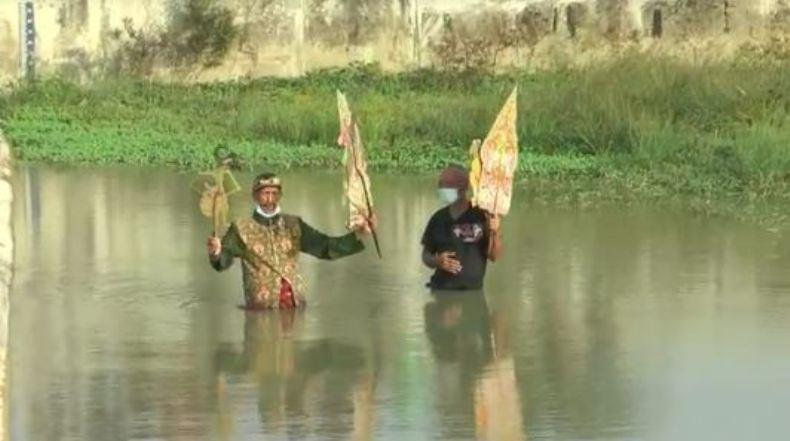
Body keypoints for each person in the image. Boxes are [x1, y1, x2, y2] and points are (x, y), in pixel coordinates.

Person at [207, 172, 376, 309]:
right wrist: (216, 253)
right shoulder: (241, 228)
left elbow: (325, 247)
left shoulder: (294, 225)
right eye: (265, 194)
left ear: (280, 195)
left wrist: (359, 234)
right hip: (261, 309)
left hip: (295, 305)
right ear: (255, 196)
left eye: (275, 194)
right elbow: (224, 260)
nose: (270, 199)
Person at [421, 165, 502, 291]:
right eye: (440, 184)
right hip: (441, 291)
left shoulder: (482, 216)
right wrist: (437, 261)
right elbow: (426, 255)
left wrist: (495, 232)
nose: (441, 189)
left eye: (445, 185)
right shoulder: (437, 218)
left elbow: (494, 256)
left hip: (472, 294)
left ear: (462, 188)